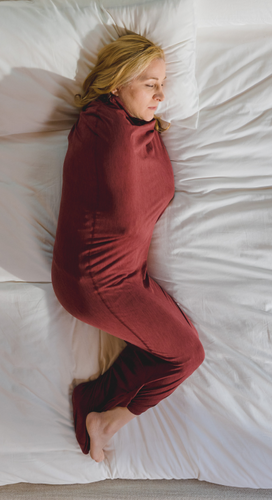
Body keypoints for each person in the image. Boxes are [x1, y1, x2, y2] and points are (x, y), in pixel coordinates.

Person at [51, 34, 205, 463]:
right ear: (116, 83)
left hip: (125, 274)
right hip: (97, 282)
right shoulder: (101, 123)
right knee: (187, 354)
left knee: (174, 345)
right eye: (148, 82)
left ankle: (95, 404)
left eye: (164, 82)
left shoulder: (139, 123)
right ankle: (107, 416)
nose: (162, 93)